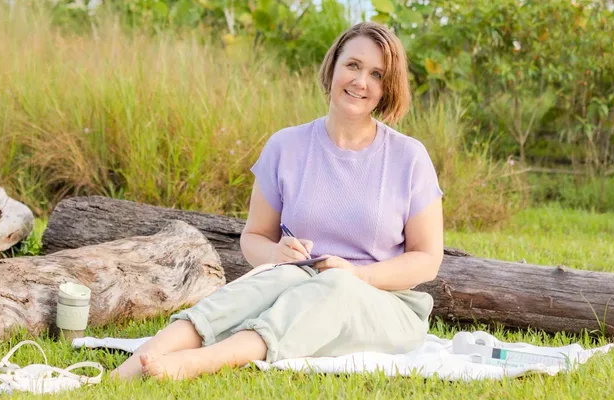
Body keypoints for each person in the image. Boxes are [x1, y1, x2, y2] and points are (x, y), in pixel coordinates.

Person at [111, 21, 444, 381]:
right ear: (333, 66)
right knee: (272, 279)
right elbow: (254, 237)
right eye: (353, 65)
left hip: (385, 306)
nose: (361, 81)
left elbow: (427, 260)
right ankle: (144, 358)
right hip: (296, 283)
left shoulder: (409, 157)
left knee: (337, 285)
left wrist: (358, 274)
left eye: (376, 74)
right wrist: (275, 255)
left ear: (387, 88)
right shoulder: (286, 146)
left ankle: (201, 362)